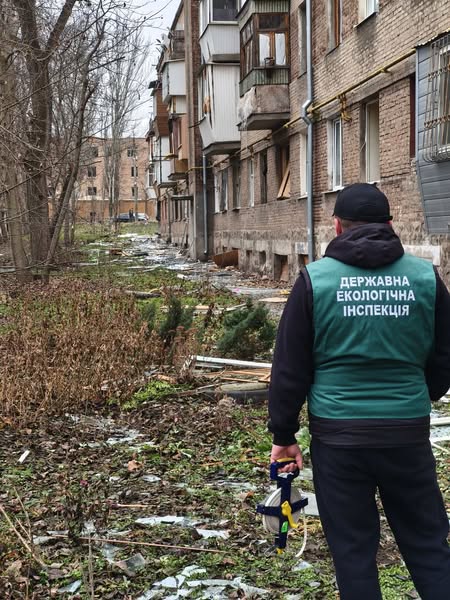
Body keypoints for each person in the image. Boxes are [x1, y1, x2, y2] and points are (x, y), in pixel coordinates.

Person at [268, 183, 450, 600]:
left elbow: (290, 367)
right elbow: (445, 351)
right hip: (406, 434)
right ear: (390, 224)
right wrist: (423, 395)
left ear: (337, 227)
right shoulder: (424, 277)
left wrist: (284, 435)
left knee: (352, 552)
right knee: (427, 545)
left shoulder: (315, 280)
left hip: (339, 439)